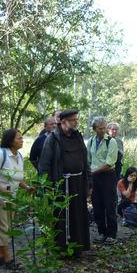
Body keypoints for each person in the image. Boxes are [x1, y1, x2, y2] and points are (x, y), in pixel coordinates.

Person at [38, 109, 90, 256]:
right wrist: (48, 185)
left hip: (78, 182)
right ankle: (61, 249)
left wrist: (89, 183)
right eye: (73, 120)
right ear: (63, 122)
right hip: (61, 183)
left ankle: (77, 247)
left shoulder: (78, 137)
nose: (76, 122)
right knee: (61, 215)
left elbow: (85, 162)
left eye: (76, 119)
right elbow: (44, 165)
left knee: (78, 215)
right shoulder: (53, 139)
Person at [0, 129, 35, 269]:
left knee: (7, 226)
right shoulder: (0, 154)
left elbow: (17, 178)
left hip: (11, 197)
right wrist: (2, 190)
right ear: (10, 140)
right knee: (3, 227)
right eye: (19, 138)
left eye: (22, 138)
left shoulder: (19, 156)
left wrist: (26, 187)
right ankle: (8, 259)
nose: (22, 140)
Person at [87, 116, 119, 245]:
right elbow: (88, 159)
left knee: (109, 205)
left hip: (108, 176)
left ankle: (112, 234)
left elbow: (110, 163)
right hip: (95, 177)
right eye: (100, 128)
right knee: (97, 205)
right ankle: (102, 232)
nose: (103, 130)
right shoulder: (90, 141)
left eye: (104, 127)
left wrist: (93, 171)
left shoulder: (111, 142)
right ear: (94, 129)